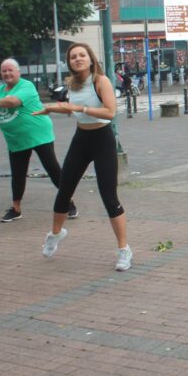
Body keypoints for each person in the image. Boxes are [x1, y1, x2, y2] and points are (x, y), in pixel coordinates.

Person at [33, 43, 133, 272]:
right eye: (73, 57)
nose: (77, 59)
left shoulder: (101, 81)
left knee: (109, 197)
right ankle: (55, 234)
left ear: (90, 59)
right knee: (64, 190)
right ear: (69, 62)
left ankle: (124, 249)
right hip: (81, 140)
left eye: (82, 55)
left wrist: (82, 109)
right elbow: (72, 108)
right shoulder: (73, 83)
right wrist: (51, 108)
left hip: (102, 140)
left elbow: (110, 112)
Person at [0, 59, 78, 222]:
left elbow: (13, 102)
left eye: (10, 70)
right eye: (4, 71)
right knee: (18, 174)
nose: (7, 73)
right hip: (16, 139)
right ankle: (16, 209)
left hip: (38, 134)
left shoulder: (26, 86)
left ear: (18, 72)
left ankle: (68, 202)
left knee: (52, 169)